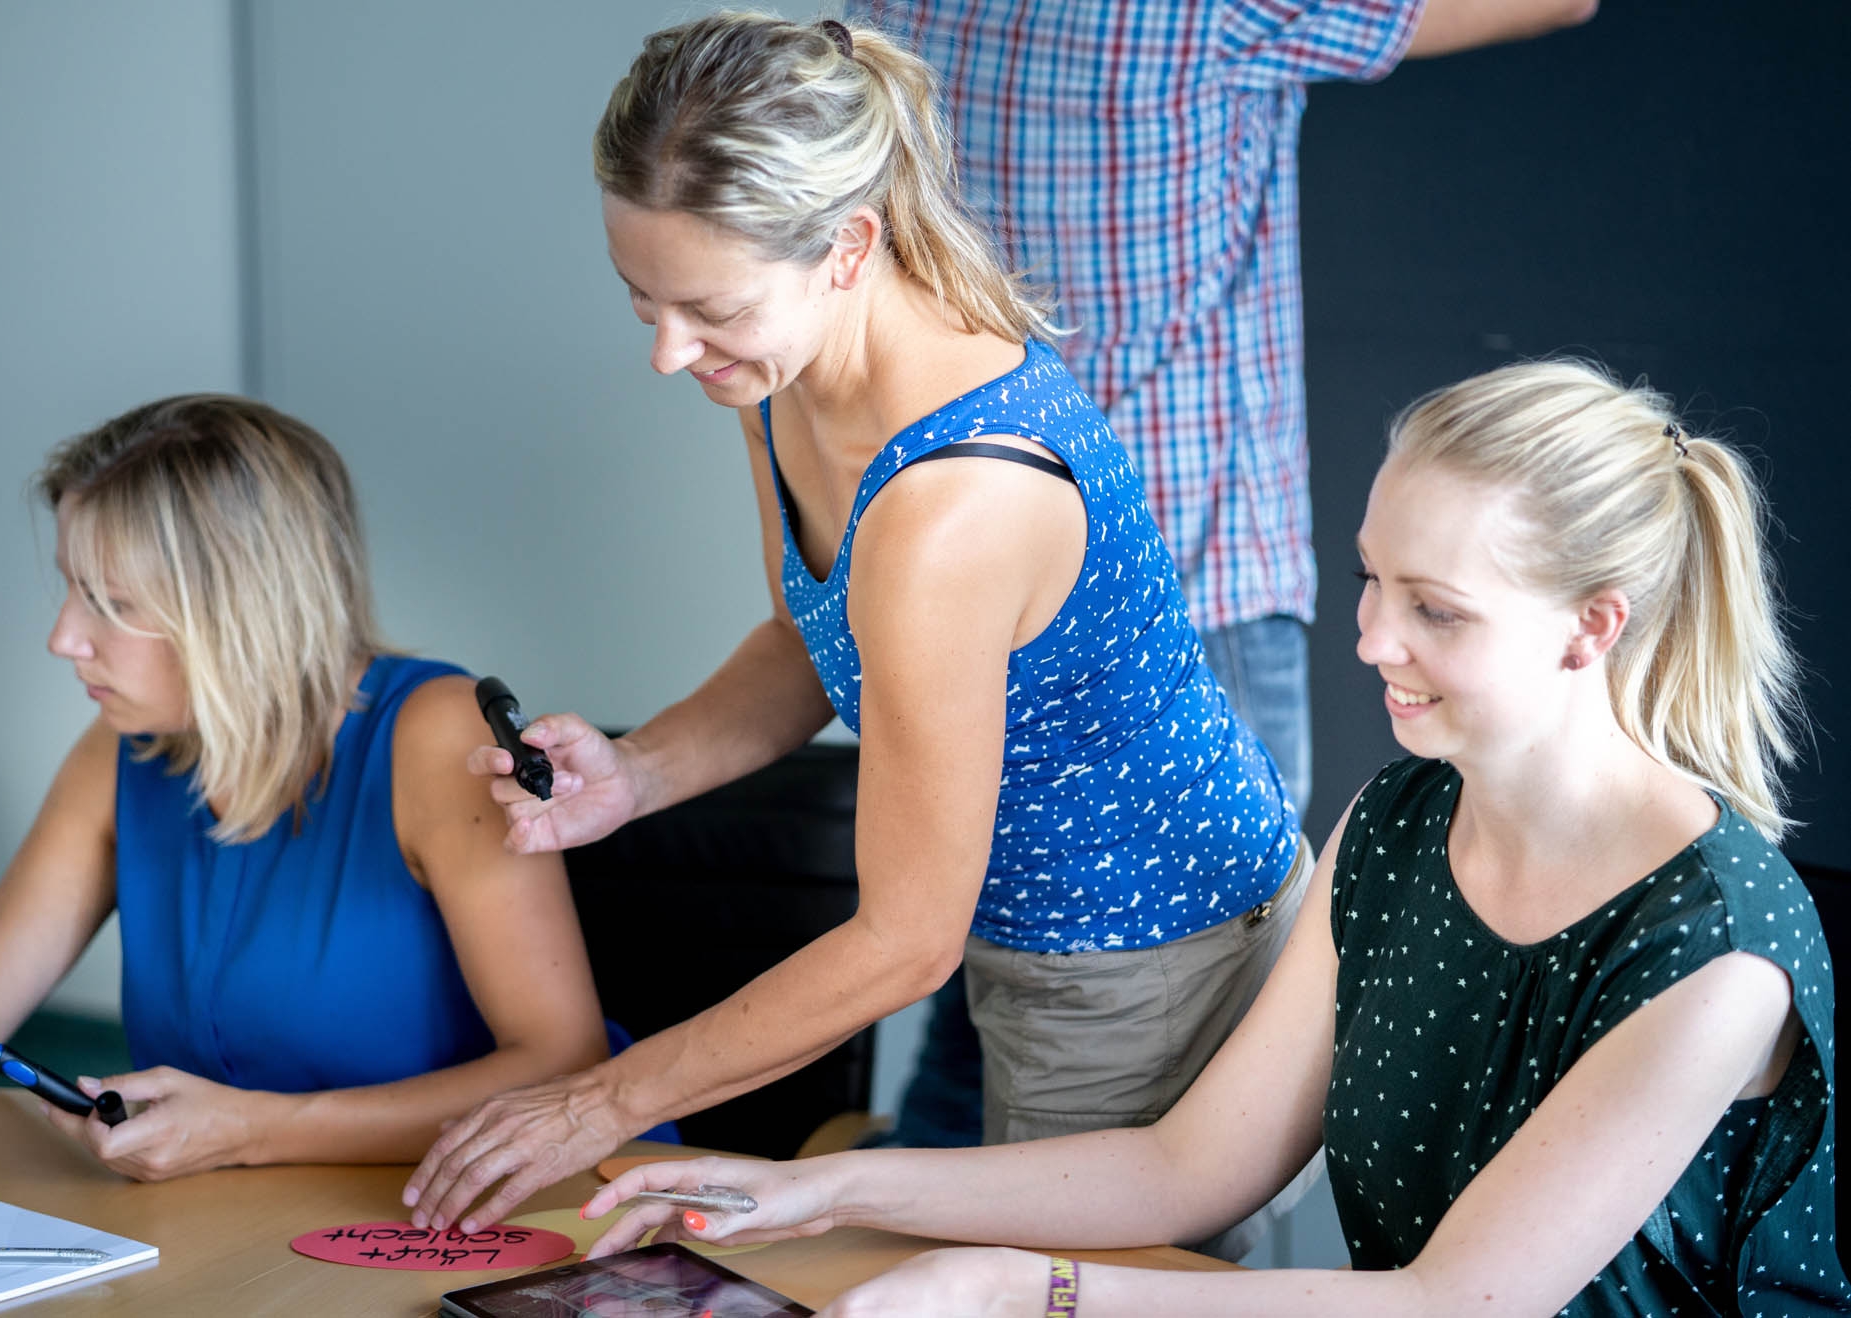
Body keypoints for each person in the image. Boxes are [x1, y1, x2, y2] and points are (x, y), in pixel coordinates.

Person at [584, 360, 1851, 1316]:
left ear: (1592, 629)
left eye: (1436, 611)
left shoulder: (1717, 951)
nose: (1369, 642)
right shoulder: (1402, 821)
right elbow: (1188, 1166)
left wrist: (1029, 1288)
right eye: (1368, 579)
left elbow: (1452, 1304)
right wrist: (822, 1188)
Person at [402, 12, 1300, 1239]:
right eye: (640, 299)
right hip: (1007, 924)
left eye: (708, 307)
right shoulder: (781, 377)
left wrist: (595, 1102)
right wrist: (639, 771)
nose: (671, 352)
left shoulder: (951, 507)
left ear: (847, 246)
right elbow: (806, 643)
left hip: (1137, 959)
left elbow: (900, 941)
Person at [850, 0, 1600, 1151]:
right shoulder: (1202, 10)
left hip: (967, 577)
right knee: (1186, 1098)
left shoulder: (888, 11)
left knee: (984, 1000)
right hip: (1191, 599)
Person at [0, 394, 609, 1180]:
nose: (64, 638)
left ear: (240, 607)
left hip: (490, 1204)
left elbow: (561, 1069)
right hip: (255, 1218)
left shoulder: (436, 735)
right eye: (72, 588)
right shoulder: (122, 751)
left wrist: (256, 1131)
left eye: (112, 603)